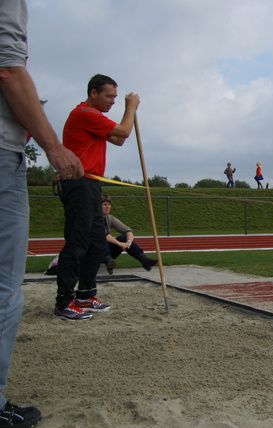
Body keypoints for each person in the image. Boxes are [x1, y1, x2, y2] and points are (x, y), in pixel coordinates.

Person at [0, 0, 84, 425]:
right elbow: (9, 70)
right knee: (4, 284)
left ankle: (79, 295)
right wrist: (53, 147)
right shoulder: (87, 114)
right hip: (8, 153)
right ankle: (69, 298)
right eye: (107, 95)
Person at [54, 74, 140, 321]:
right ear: (93, 93)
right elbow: (123, 130)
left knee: (95, 242)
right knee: (77, 243)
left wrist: (129, 114)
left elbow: (119, 139)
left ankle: (85, 294)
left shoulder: (97, 119)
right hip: (78, 183)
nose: (113, 101)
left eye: (115, 96)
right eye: (108, 96)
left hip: (91, 184)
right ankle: (63, 302)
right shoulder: (84, 113)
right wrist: (130, 107)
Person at [101, 194, 157, 274]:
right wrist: (119, 243)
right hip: (93, 251)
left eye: (109, 204)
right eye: (104, 205)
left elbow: (128, 230)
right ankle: (108, 261)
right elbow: (104, 235)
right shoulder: (93, 218)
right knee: (102, 240)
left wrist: (128, 242)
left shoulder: (110, 218)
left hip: (107, 251)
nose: (107, 207)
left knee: (124, 237)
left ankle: (144, 259)